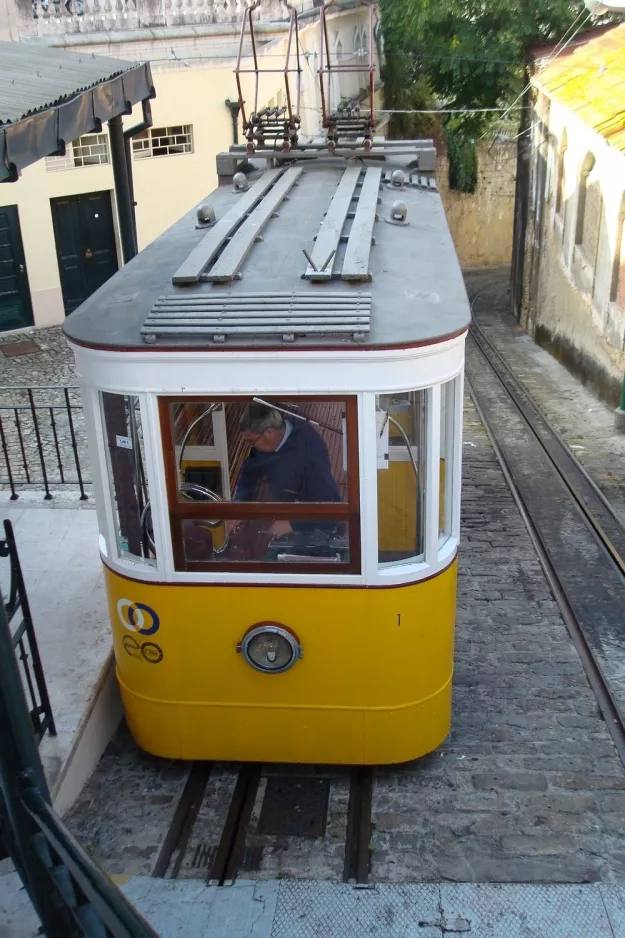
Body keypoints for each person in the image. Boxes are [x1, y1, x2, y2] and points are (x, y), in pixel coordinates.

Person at [226, 402, 341, 538]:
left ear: (269, 431)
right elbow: (249, 475)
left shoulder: (310, 452)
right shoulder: (265, 443)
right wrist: (240, 506)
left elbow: (331, 510)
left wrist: (293, 524)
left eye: (251, 442)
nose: (252, 447)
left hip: (317, 531)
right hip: (286, 510)